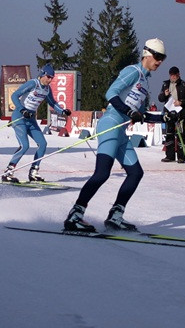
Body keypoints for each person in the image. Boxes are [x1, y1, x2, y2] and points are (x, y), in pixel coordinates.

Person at [64, 38, 166, 232]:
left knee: (136, 173)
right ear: (147, 54)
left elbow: (140, 115)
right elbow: (111, 93)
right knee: (102, 173)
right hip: (110, 123)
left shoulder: (144, 80)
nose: (160, 61)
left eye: (163, 58)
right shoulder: (132, 71)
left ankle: (115, 215)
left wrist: (166, 118)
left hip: (121, 131)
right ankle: (75, 215)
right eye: (158, 56)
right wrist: (129, 112)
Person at [2, 64, 71, 183]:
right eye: (48, 77)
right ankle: (8, 172)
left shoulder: (47, 89)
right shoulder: (33, 83)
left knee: (43, 144)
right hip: (19, 117)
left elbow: (52, 103)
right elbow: (14, 95)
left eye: (52, 78)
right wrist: (22, 109)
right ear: (43, 74)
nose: (50, 80)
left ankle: (34, 172)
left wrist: (63, 111)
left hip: (31, 119)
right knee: (25, 146)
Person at [157, 66, 185, 163]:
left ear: (179, 74)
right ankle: (170, 156)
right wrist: (164, 95)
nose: (173, 77)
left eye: (175, 75)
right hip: (169, 113)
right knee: (169, 134)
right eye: (171, 75)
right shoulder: (165, 84)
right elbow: (160, 99)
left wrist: (181, 102)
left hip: (180, 114)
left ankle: (182, 156)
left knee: (180, 135)